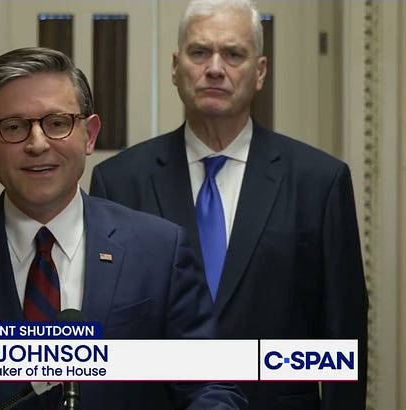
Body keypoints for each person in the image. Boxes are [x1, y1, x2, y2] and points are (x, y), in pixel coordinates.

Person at [0, 47, 246, 409]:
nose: (38, 144)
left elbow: (210, 386)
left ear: (89, 134)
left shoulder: (159, 250)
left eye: (58, 123)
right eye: (14, 127)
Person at [89, 0, 368, 408]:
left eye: (234, 54)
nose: (215, 68)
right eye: (199, 52)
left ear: (260, 72)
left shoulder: (319, 182)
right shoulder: (119, 181)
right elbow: (106, 329)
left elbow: (344, 327)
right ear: (175, 67)